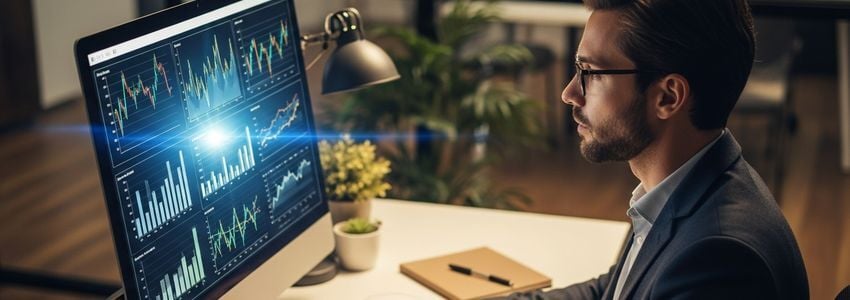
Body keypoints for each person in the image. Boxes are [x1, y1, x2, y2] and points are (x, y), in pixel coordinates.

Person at [506, 0, 808, 299]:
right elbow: (612, 290)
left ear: (667, 97)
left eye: (591, 73)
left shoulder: (717, 260)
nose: (569, 93)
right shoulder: (682, 192)